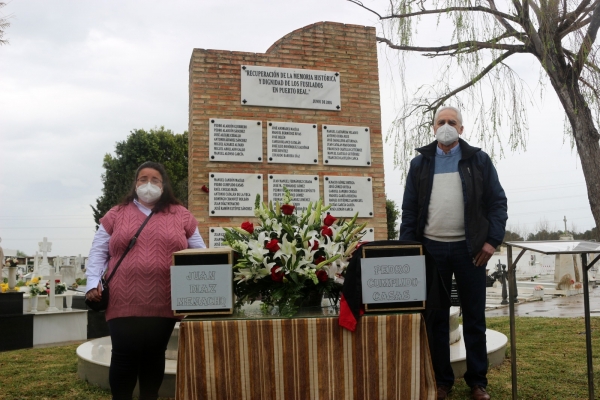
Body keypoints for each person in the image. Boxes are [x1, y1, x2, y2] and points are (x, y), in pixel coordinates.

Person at [399, 106, 507, 400]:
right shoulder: (420, 164)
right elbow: (409, 211)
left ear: (461, 129)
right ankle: (442, 381)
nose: (446, 126)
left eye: (452, 122)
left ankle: (477, 382)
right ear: (433, 128)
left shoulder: (479, 161)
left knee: (474, 317)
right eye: (441, 122)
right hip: (431, 250)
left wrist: (491, 241)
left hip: (471, 250)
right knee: (435, 318)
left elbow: (497, 203)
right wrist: (409, 250)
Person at [85, 161, 206, 400]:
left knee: (154, 355)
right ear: (135, 183)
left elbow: (200, 253)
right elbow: (98, 251)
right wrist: (92, 283)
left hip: (165, 299)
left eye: (155, 180)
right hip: (123, 299)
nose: (148, 184)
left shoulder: (181, 214)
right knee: (124, 355)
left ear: (164, 185)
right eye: (143, 179)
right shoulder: (116, 213)